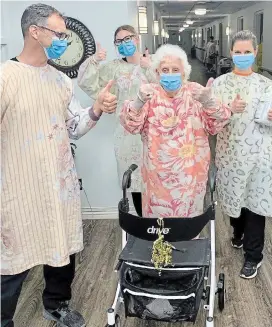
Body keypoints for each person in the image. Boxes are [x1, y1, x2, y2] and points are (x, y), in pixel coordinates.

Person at [1, 4, 117, 327]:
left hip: (60, 186)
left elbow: (75, 125)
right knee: (13, 261)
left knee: (62, 249)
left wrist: (96, 108)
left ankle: (56, 305)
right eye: (60, 33)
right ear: (35, 32)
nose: (65, 40)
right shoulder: (5, 78)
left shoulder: (60, 81)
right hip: (20, 188)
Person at [213, 30, 272, 279]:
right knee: (236, 201)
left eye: (247, 52)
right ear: (231, 54)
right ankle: (237, 232)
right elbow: (209, 121)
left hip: (261, 155)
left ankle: (253, 256)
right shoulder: (220, 85)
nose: (242, 56)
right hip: (231, 155)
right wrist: (227, 109)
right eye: (238, 52)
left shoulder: (266, 85)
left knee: (255, 203)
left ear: (255, 53)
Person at [120, 44, 231, 218]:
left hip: (190, 178)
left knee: (186, 229)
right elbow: (131, 126)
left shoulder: (195, 94)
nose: (170, 74)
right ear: (157, 73)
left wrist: (209, 101)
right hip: (157, 180)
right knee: (158, 230)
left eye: (175, 69)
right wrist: (138, 102)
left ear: (184, 73)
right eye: (165, 69)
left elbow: (218, 123)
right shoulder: (148, 95)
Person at [78, 25, 154, 217]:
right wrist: (94, 60)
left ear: (136, 39)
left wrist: (151, 68)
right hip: (126, 134)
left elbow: (168, 90)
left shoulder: (152, 64)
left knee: (155, 178)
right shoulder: (113, 68)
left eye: (127, 39)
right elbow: (88, 83)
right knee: (134, 180)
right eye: (118, 41)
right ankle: (143, 225)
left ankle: (160, 227)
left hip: (153, 131)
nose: (123, 44)